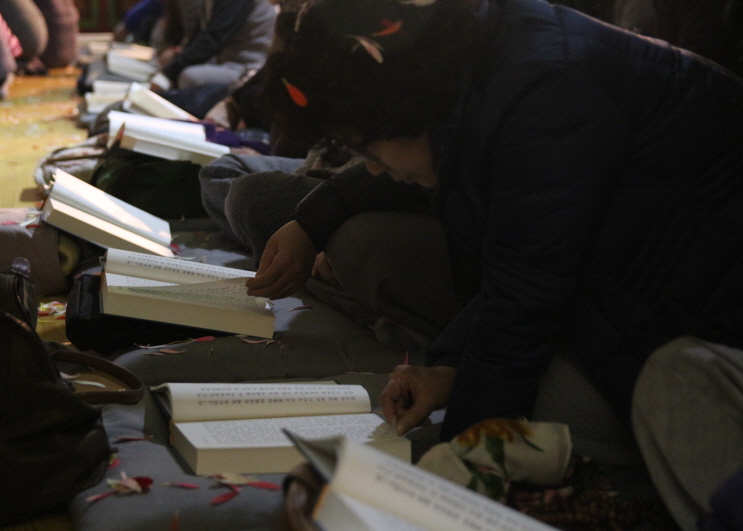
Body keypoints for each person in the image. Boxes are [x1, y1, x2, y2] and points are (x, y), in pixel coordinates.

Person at [240, 0, 743, 528]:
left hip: (697, 325)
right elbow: (524, 265)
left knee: (586, 406)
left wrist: (459, 479)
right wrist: (452, 368)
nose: (375, 169)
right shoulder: (483, 75)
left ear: (399, 108)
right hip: (629, 298)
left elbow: (525, 299)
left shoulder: (541, 91)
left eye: (369, 149)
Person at [150, 0, 276, 91]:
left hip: (244, 69)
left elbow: (214, 39)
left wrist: (169, 74)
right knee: (169, 66)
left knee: (189, 76)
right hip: (222, 60)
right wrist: (176, 56)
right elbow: (200, 35)